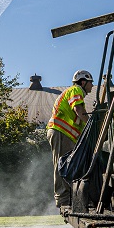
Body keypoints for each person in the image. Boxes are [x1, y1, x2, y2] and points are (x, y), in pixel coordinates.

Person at [46, 70, 94, 208]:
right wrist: (90, 124)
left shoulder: (77, 93)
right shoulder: (76, 89)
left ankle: (72, 197)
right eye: (91, 83)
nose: (92, 86)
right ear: (83, 82)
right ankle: (62, 198)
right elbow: (78, 111)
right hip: (60, 132)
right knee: (62, 165)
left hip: (64, 134)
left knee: (70, 165)